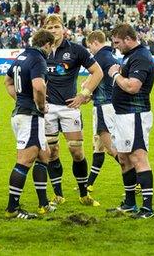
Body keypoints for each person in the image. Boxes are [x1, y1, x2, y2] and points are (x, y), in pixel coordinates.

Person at [42, 14, 103, 206]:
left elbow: (97, 72)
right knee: (52, 152)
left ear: (63, 29)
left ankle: (84, 194)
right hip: (47, 109)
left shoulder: (75, 50)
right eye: (50, 28)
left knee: (76, 151)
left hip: (69, 108)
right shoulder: (40, 51)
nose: (53, 31)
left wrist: (83, 94)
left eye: (56, 27)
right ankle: (58, 194)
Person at [4, 29, 55, 220]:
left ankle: (43, 204)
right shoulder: (39, 59)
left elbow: (7, 81)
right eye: (51, 47)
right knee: (25, 160)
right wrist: (40, 106)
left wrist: (21, 99)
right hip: (31, 116)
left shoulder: (21, 57)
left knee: (44, 155)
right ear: (47, 44)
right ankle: (12, 208)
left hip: (22, 113)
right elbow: (39, 86)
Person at [107, 24, 154, 219]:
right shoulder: (130, 56)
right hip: (123, 115)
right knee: (124, 159)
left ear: (128, 39)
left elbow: (133, 87)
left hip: (135, 114)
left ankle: (147, 208)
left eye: (117, 42)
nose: (116, 47)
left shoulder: (141, 56)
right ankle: (129, 203)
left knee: (138, 158)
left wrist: (116, 74)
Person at [84, 30, 121, 192]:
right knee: (98, 147)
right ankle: (88, 183)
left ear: (95, 42)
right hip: (111, 105)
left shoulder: (98, 58)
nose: (90, 51)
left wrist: (84, 89)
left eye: (89, 47)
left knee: (110, 147)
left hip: (103, 106)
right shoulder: (112, 56)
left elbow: (89, 84)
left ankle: (136, 177)